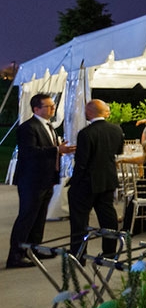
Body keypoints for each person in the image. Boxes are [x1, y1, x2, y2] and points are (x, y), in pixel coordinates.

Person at [7, 94, 75, 269]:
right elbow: (29, 152)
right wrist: (56, 149)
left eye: (53, 106)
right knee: (27, 217)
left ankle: (34, 249)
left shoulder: (48, 125)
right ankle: (16, 255)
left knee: (39, 217)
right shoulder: (28, 127)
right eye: (49, 106)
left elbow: (49, 149)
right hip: (31, 179)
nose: (53, 109)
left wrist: (59, 150)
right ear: (36, 109)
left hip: (46, 178)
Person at [68, 100, 125, 258]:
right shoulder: (116, 129)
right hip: (107, 179)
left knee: (79, 219)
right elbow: (118, 151)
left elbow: (82, 162)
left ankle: (78, 253)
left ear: (90, 112)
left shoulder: (86, 133)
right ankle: (110, 251)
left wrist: (74, 182)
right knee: (108, 216)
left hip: (87, 182)